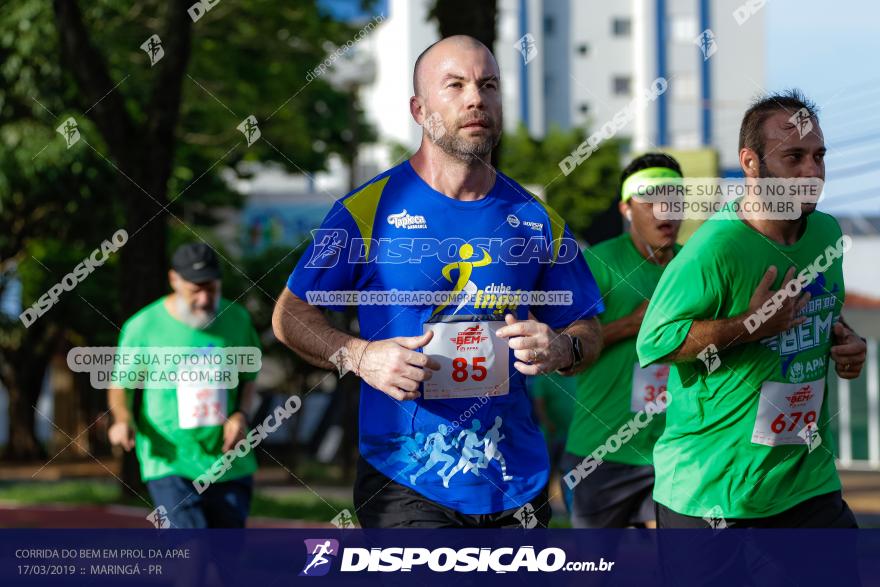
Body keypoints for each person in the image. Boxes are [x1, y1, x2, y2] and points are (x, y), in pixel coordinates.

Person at [273, 35, 603, 528]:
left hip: (517, 480)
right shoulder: (366, 212)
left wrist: (561, 348)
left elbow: (588, 330)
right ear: (419, 109)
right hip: (407, 479)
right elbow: (289, 316)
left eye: (488, 85)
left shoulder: (537, 220)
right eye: (456, 85)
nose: (476, 98)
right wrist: (360, 356)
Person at [637, 90, 866, 533]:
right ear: (750, 163)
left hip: (806, 483)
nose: (812, 173)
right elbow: (655, 343)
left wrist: (847, 342)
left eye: (819, 156)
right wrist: (750, 325)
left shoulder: (826, 231)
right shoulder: (716, 248)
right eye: (794, 157)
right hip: (712, 494)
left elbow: (825, 313)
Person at [562, 153, 683, 528]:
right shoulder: (598, 262)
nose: (665, 211)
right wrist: (632, 324)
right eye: (651, 200)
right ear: (627, 208)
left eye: (674, 199)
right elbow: (564, 349)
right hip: (602, 451)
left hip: (672, 450)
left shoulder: (692, 264)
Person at [107, 243, 262, 528]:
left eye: (212, 288)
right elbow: (122, 386)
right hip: (170, 461)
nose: (205, 299)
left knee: (229, 562)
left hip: (229, 462)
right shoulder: (143, 327)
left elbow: (249, 378)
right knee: (192, 554)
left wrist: (241, 414)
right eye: (196, 289)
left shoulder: (237, 319)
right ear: (174, 280)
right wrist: (122, 419)